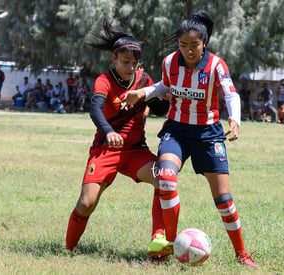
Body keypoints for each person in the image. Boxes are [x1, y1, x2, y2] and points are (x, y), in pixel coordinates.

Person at [122, 11, 259, 269]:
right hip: (177, 131)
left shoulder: (216, 65)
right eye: (183, 45)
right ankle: (171, 245)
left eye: (194, 45)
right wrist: (141, 92)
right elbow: (165, 86)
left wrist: (235, 119)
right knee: (165, 177)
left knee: (223, 199)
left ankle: (241, 254)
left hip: (208, 134)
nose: (188, 51)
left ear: (204, 43)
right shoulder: (170, 62)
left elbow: (231, 94)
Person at [65, 18, 170, 263]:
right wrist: (109, 132)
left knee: (164, 179)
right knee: (87, 202)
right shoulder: (104, 80)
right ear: (114, 58)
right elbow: (95, 110)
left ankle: (158, 244)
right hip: (105, 150)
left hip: (136, 152)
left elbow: (159, 107)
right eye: (125, 62)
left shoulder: (144, 81)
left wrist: (172, 97)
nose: (130, 67)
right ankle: (67, 251)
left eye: (134, 63)